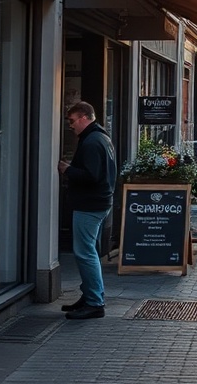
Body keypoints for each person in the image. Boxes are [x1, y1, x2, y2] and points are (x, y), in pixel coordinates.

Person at [57, 101, 116, 320]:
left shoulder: (92, 141)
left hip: (89, 205)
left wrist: (68, 170)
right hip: (99, 203)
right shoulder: (101, 137)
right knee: (90, 252)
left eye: (72, 121)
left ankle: (94, 302)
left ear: (84, 117)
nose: (70, 125)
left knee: (85, 253)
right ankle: (90, 295)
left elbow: (92, 176)